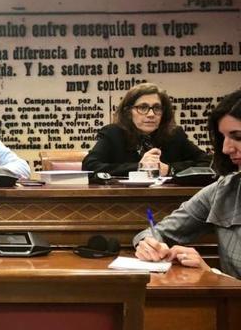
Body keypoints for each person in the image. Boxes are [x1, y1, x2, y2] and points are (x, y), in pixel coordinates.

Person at [134, 88, 241, 278]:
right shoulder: (224, 190)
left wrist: (212, 274)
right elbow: (155, 233)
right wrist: (150, 244)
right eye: (222, 137)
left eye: (237, 137)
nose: (226, 148)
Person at [82, 83, 210, 176]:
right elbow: (89, 166)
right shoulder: (113, 134)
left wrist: (169, 169)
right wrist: (139, 167)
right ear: (128, 112)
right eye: (143, 107)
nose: (151, 114)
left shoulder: (175, 135)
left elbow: (208, 162)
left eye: (157, 108)